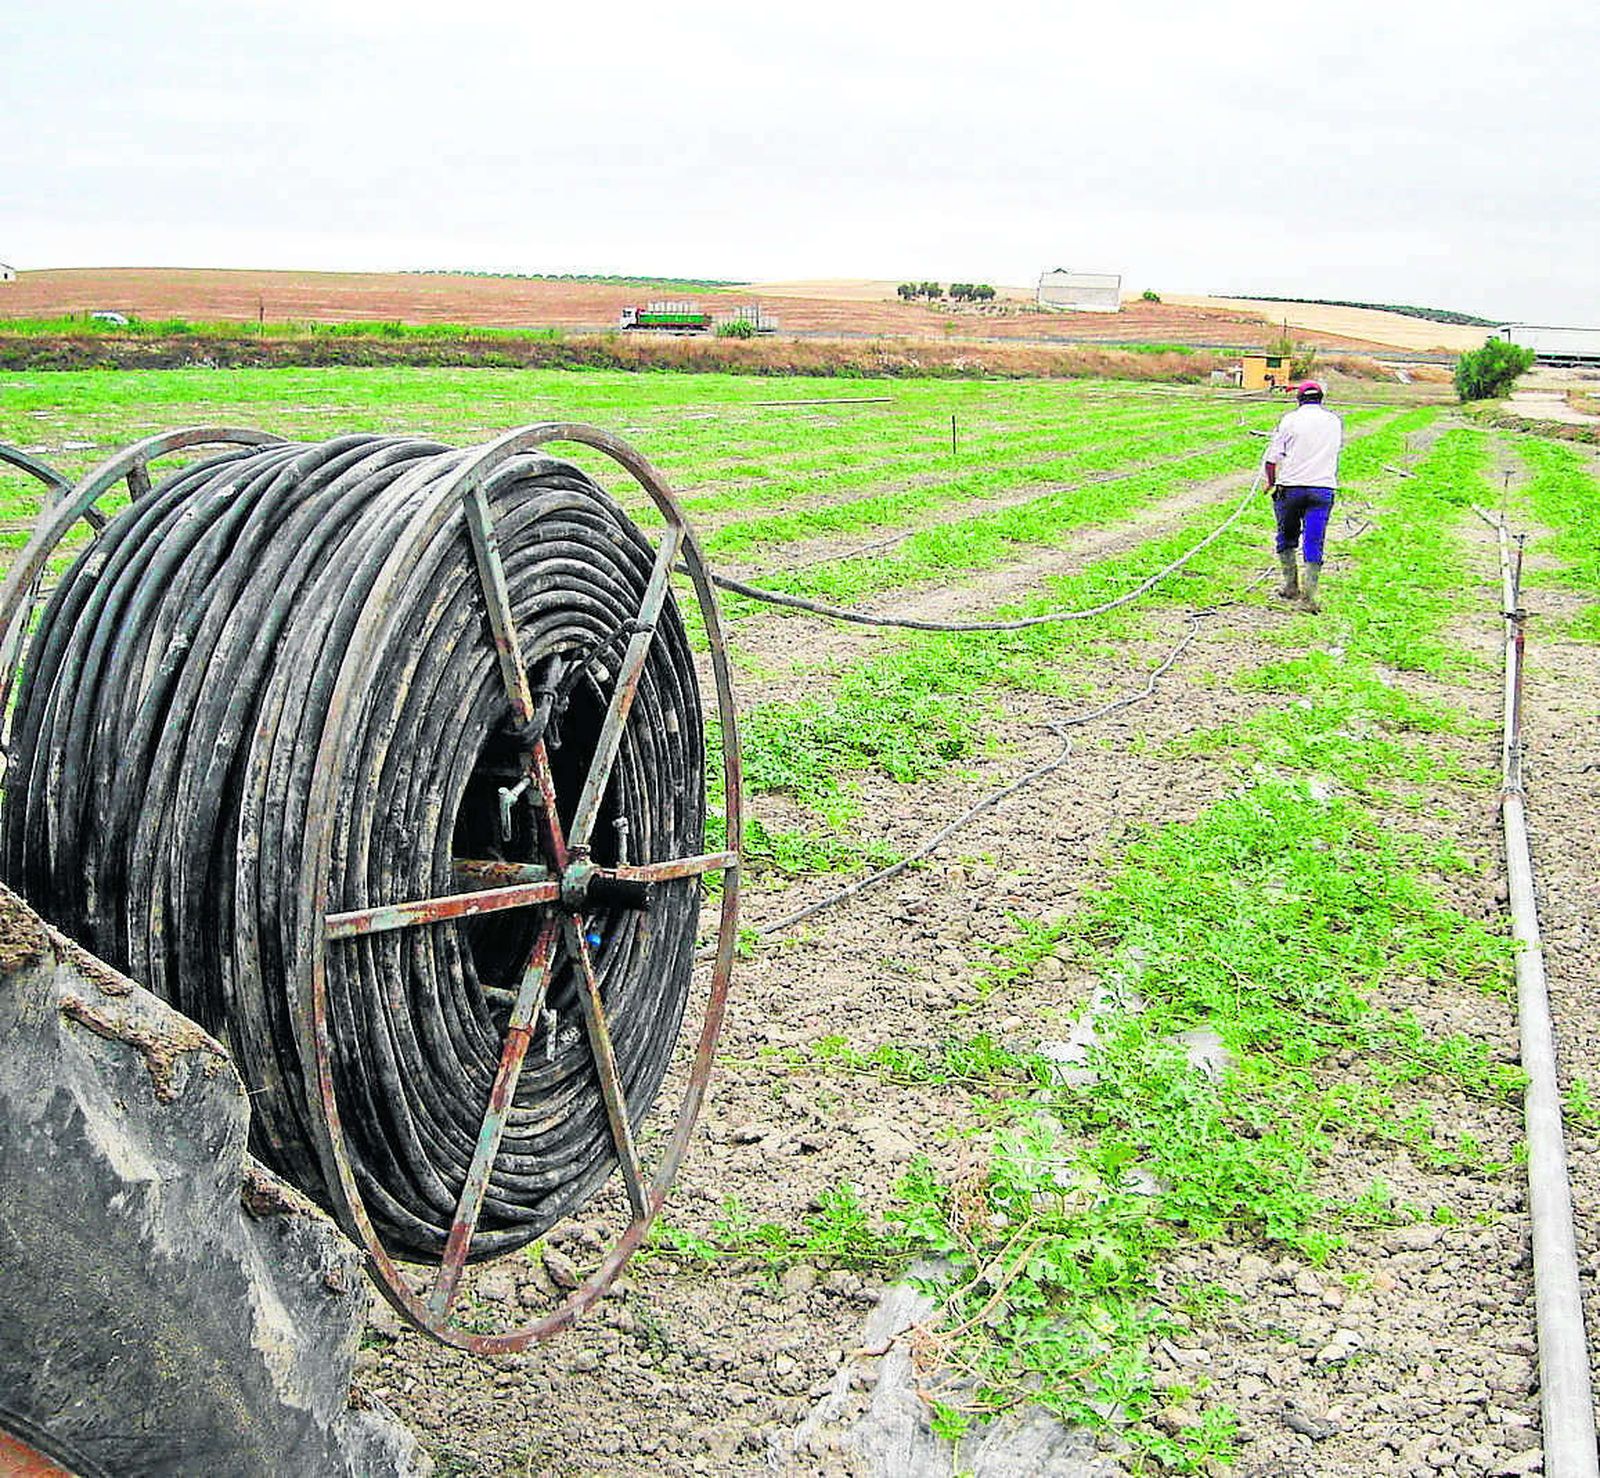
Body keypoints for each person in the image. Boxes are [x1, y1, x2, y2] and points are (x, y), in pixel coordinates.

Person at [1263, 380, 1342, 612]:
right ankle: (1309, 597)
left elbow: (1272, 458)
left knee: (1286, 538)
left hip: (1291, 489)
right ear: (1320, 399)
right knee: (1314, 540)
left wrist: (1270, 482)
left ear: (1299, 399)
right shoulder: (1334, 421)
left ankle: (1290, 586)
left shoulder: (1290, 420)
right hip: (1322, 490)